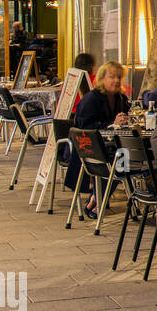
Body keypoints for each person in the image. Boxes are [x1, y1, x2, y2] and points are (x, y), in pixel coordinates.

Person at [68, 60, 130, 218]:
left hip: (110, 146)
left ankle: (98, 198)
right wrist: (112, 124)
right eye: (111, 77)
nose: (116, 81)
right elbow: (86, 128)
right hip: (88, 148)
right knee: (120, 160)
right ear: (102, 79)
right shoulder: (91, 99)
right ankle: (97, 199)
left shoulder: (120, 99)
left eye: (119, 77)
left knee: (126, 157)